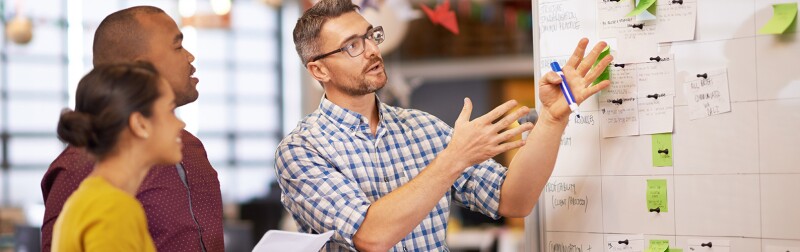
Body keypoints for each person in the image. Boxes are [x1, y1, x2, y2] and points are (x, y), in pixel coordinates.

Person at [275, 0, 613, 251]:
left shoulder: (423, 128)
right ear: (319, 70)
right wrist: (454, 159)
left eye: (371, 36)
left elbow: (514, 200)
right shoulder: (302, 150)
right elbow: (370, 236)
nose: (372, 51)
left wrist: (553, 118)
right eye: (352, 45)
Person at [41, 6, 224, 252]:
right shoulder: (85, 174)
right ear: (140, 69)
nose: (190, 57)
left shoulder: (189, 148)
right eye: (178, 46)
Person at [52, 62, 184, 251]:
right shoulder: (113, 209)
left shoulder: (94, 199)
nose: (181, 124)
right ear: (140, 124)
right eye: (171, 111)